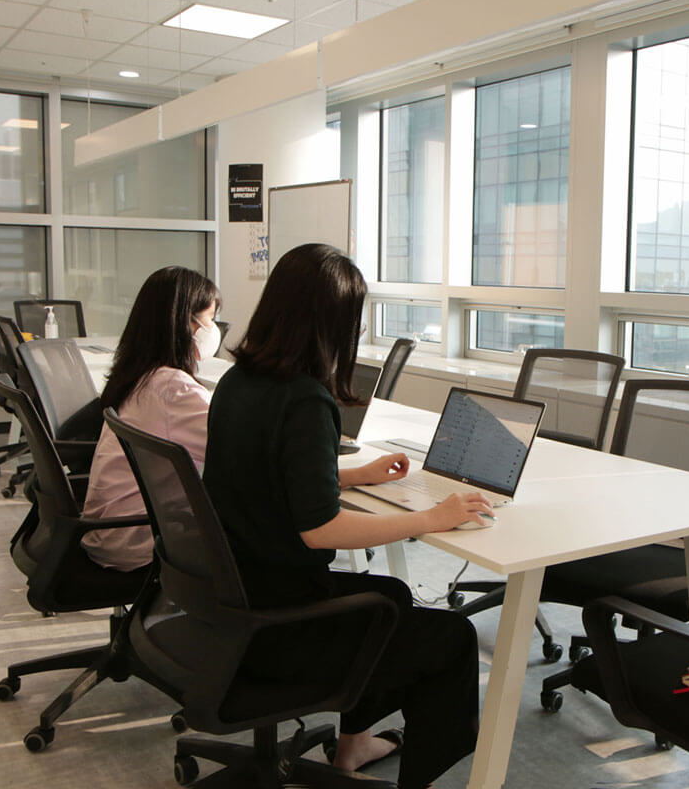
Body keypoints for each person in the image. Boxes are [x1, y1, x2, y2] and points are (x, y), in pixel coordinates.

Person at [204, 243, 486, 789]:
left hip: (235, 597)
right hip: (281, 625)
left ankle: (353, 745)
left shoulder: (238, 382)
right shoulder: (306, 399)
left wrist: (356, 474)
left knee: (393, 595)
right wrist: (432, 518)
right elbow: (321, 530)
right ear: (330, 323)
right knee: (452, 637)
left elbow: (263, 476)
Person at [80, 266, 221, 571]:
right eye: (210, 319)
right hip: (140, 538)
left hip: (112, 529)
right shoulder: (172, 388)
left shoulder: (141, 376)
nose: (213, 329)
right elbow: (232, 449)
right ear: (186, 324)